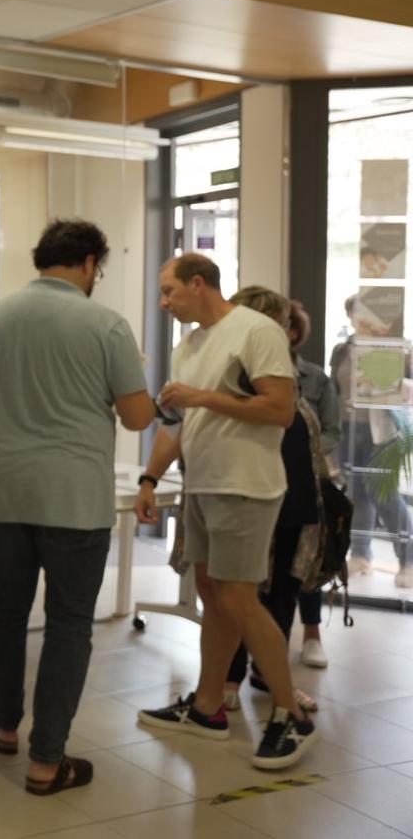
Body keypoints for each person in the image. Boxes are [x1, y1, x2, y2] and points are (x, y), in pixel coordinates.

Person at [0, 220, 154, 795]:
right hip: (73, 496)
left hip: (4, 489)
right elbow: (137, 416)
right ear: (91, 263)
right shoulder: (106, 325)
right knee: (69, 625)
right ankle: (47, 761)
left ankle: (3, 726)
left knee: (6, 611)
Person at [137, 254, 316, 769]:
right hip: (203, 485)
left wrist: (205, 397)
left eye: (170, 292)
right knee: (214, 596)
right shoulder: (188, 346)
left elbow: (279, 411)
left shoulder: (256, 331)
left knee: (238, 598)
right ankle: (207, 706)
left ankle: (291, 716)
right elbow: (177, 424)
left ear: (200, 284)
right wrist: (151, 478)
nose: (164, 303)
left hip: (245, 486)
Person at [220, 288, 332, 715]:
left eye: (279, 323)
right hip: (246, 493)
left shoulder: (301, 374)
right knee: (236, 593)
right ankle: (227, 677)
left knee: (282, 593)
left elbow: (312, 434)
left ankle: (270, 675)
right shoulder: (227, 369)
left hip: (295, 495)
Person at [330, 295, 413, 589]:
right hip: (349, 429)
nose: (360, 319)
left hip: (383, 430)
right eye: (355, 313)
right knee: (357, 496)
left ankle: (409, 560)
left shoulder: (398, 348)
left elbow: (408, 388)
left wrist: (392, 383)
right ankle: (361, 556)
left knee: (386, 496)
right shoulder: (342, 350)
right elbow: (334, 391)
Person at [288, 300, 338, 669]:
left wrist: (309, 451)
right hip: (265, 479)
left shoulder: (316, 378)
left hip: (311, 480)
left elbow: (332, 429)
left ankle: (312, 634)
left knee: (309, 558)